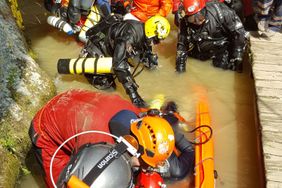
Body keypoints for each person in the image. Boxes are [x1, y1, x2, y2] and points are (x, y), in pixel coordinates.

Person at [29, 90, 194, 187]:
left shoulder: (137, 119)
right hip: (46, 125)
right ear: (135, 151)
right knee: (61, 182)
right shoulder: (97, 149)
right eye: (144, 165)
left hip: (74, 99)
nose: (145, 169)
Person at [80, 15, 171, 108]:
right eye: (156, 40)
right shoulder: (128, 36)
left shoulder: (142, 31)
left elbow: (145, 50)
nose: (156, 43)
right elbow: (119, 65)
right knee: (111, 90)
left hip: (107, 50)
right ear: (151, 32)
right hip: (94, 57)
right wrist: (134, 96)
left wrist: (152, 63)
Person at [175, 0, 249, 73]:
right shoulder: (185, 22)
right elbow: (182, 47)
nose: (197, 21)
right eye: (192, 19)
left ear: (204, 10)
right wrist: (180, 70)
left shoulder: (222, 13)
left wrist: (238, 57)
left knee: (222, 68)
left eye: (199, 17)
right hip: (201, 48)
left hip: (221, 47)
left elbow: (239, 34)